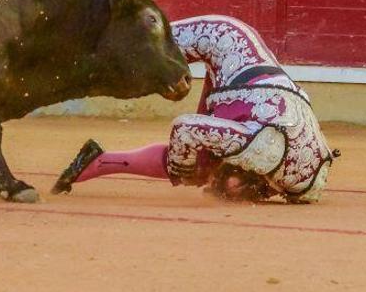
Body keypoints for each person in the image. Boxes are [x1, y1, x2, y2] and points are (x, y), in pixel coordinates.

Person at [52, 15, 335, 204]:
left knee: (200, 163)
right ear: (245, 174)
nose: (224, 187)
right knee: (143, 47)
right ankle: (83, 41)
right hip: (226, 40)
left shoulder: (299, 184)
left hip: (249, 88)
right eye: (229, 184)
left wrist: (196, 166)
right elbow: (185, 128)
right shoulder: (252, 146)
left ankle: (98, 162)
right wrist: (186, 169)